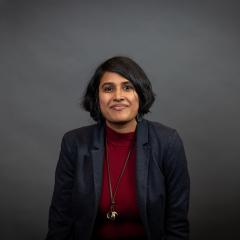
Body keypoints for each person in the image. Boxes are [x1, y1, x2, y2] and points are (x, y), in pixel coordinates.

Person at [46, 56, 190, 240]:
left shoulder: (168, 142)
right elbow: (60, 221)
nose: (118, 96)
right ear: (97, 97)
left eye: (127, 87)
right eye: (108, 89)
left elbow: (177, 226)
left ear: (140, 93)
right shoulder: (74, 143)